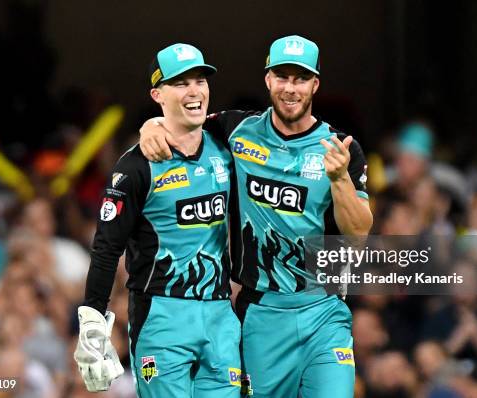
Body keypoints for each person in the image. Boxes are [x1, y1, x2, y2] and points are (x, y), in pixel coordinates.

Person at [139, 35, 373, 398]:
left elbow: (358, 235)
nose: (290, 88)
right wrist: (152, 126)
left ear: (315, 84)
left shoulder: (340, 147)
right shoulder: (234, 130)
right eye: (282, 77)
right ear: (267, 79)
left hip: (324, 312)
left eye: (300, 79)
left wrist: (340, 178)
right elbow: (184, 122)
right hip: (260, 314)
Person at [74, 43, 241, 397]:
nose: (194, 90)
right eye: (181, 83)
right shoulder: (134, 168)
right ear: (157, 94)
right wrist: (92, 321)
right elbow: (106, 248)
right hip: (160, 317)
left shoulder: (227, 146)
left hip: (220, 315)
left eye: (200, 80)